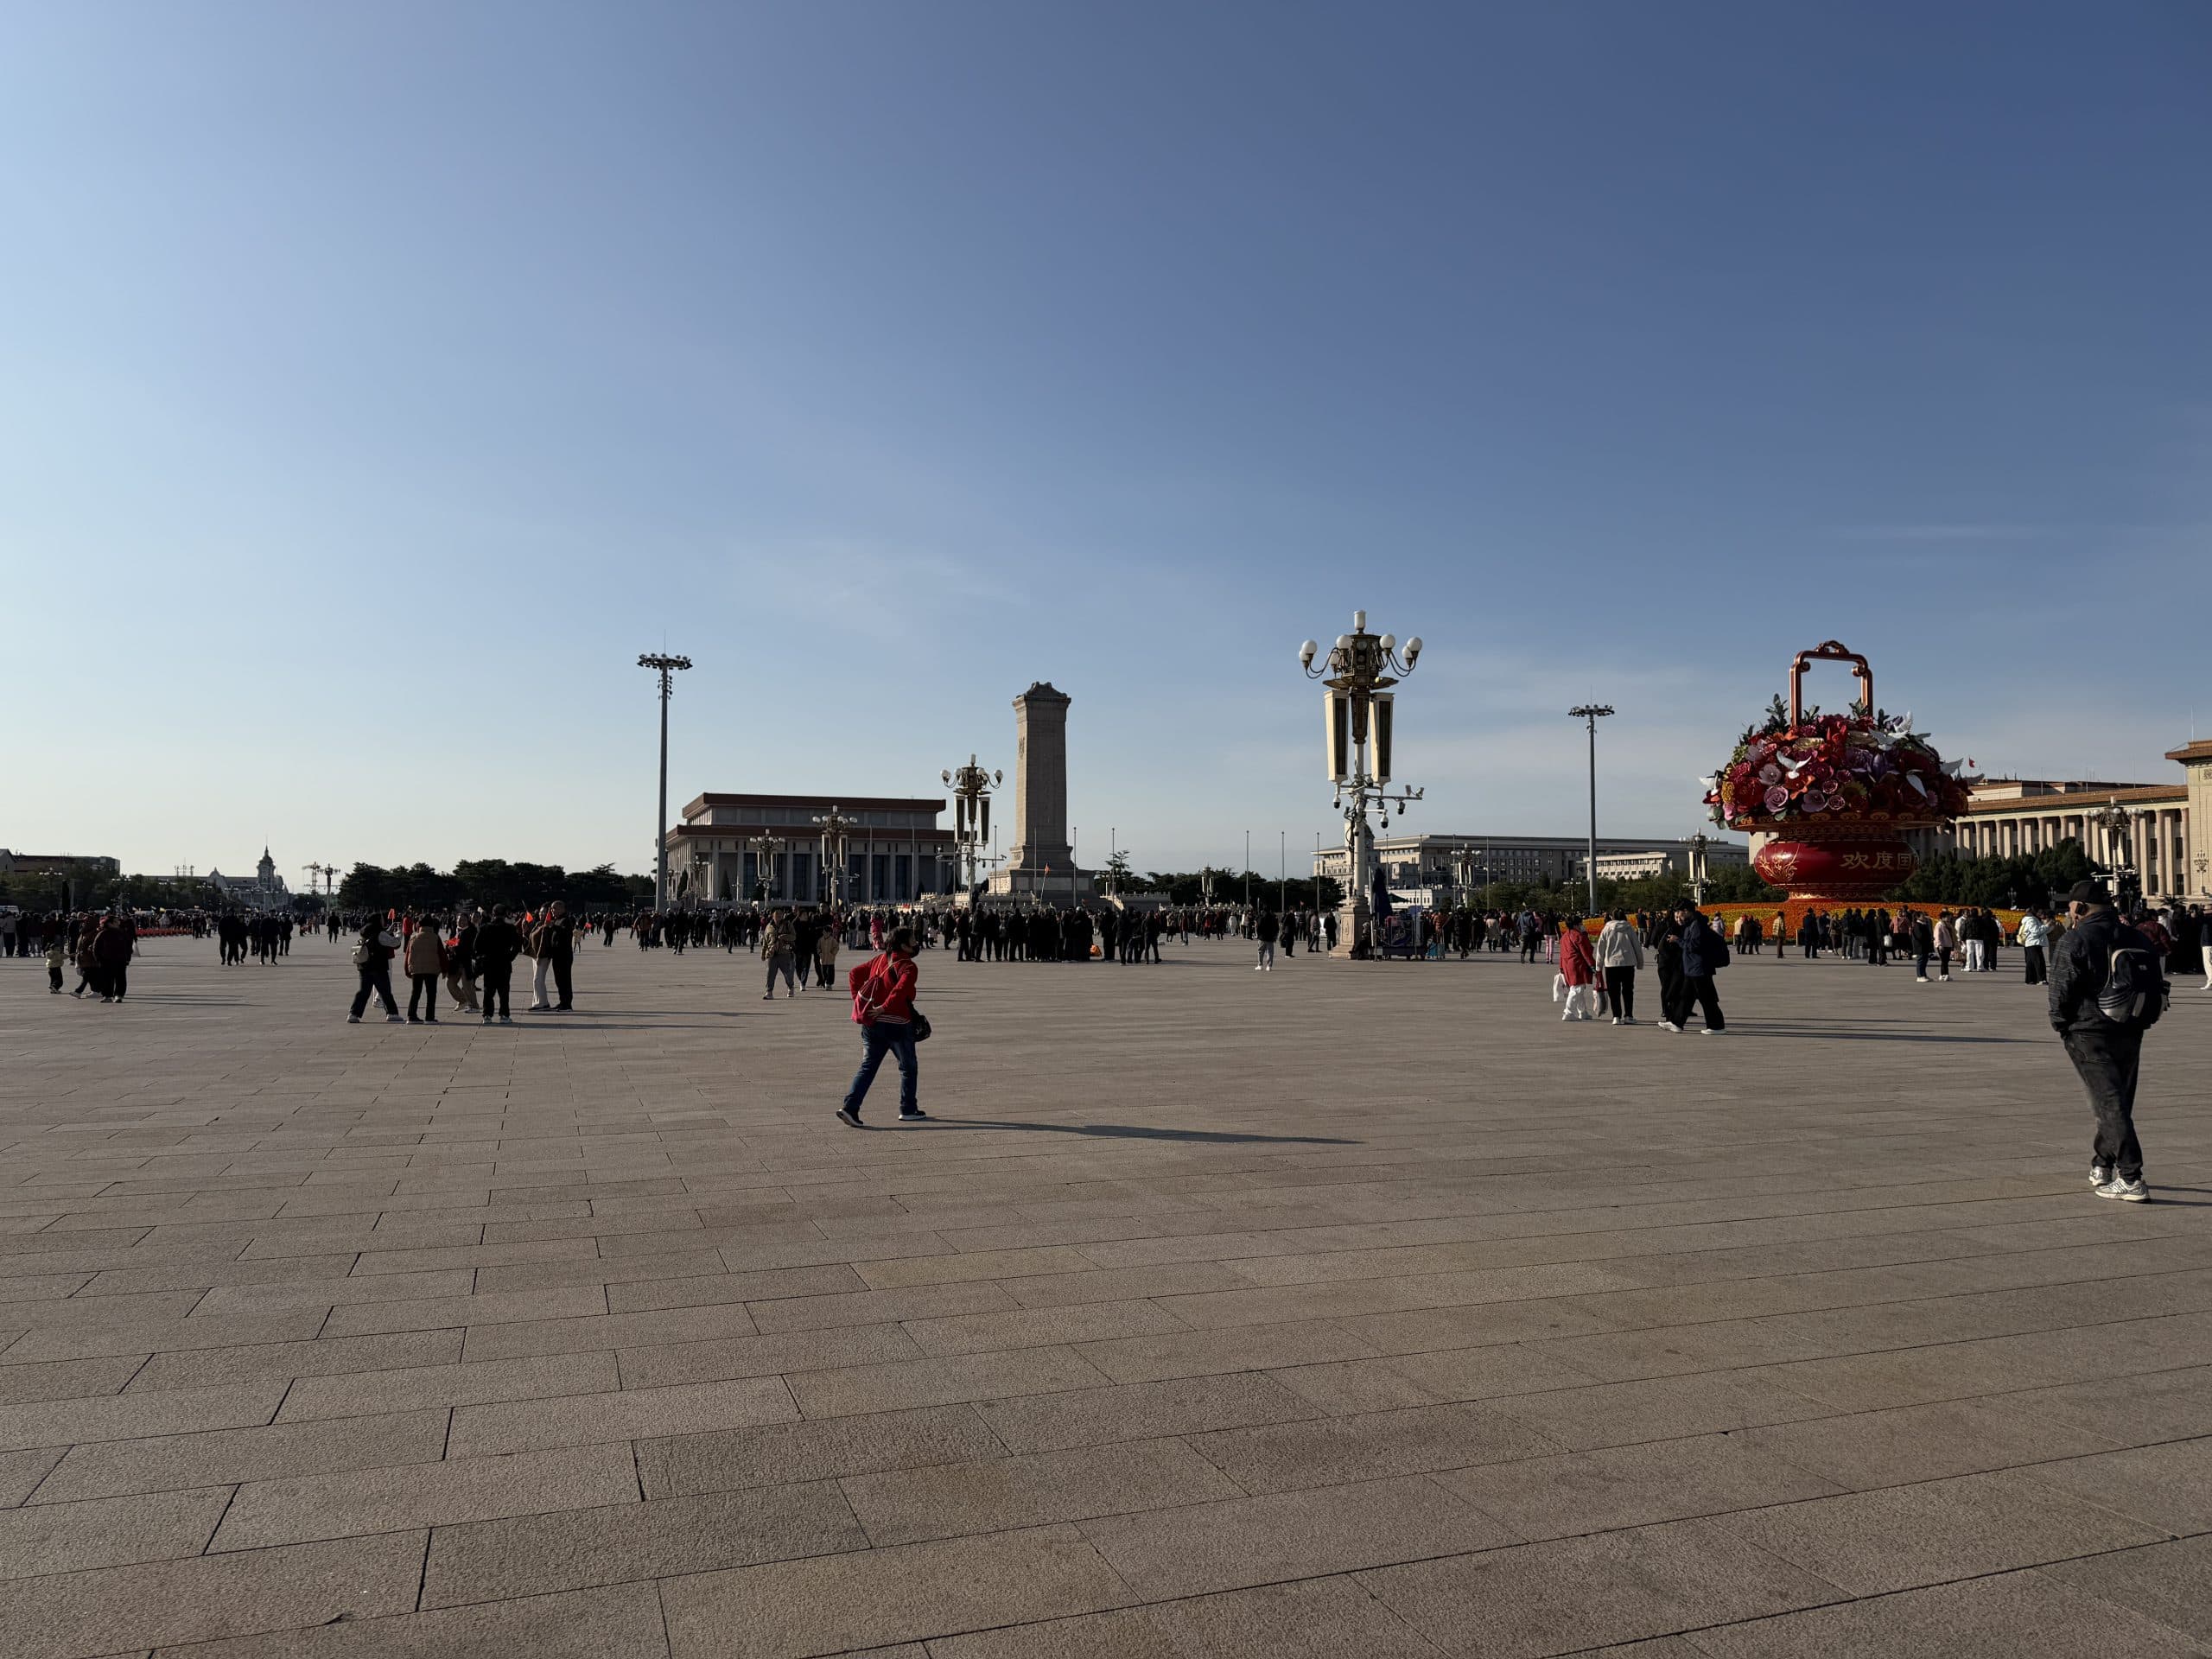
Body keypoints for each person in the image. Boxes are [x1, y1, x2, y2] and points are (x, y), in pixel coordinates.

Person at [2049, 880, 2164, 1201]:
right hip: (2131, 1024)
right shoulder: (2136, 935)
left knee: (2108, 1101)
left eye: (2071, 907)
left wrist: (2062, 1025)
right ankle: (2102, 1163)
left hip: (2089, 1030)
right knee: (2116, 1099)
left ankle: (2131, 1177)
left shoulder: (2076, 938)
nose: (2069, 913)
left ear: (2080, 908)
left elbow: (2060, 990)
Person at [836, 926, 926, 1127]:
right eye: (913, 941)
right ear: (904, 945)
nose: (916, 944)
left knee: (868, 1067)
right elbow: (901, 990)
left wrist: (859, 1001)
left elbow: (854, 974)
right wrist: (884, 1008)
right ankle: (908, 1108)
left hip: (872, 1024)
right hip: (898, 1025)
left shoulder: (879, 960)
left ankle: (850, 1107)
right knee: (908, 1067)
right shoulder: (908, 966)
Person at [1660, 900, 1726, 1033]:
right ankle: (1676, 1023)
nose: (1678, 916)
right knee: (1686, 997)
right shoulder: (1692, 924)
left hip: (1699, 968)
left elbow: (1694, 946)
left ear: (1686, 911)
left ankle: (1717, 1026)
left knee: (1707, 998)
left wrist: (1677, 940)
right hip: (1692, 968)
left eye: (1679, 913)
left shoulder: (1697, 925)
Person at [348, 918, 404, 1024]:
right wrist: (399, 933)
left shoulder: (365, 932)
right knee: (385, 991)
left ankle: (353, 1014)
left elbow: (377, 938)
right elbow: (395, 943)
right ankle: (392, 1013)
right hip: (378, 966)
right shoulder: (381, 934)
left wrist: (387, 932)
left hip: (365, 966)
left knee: (363, 992)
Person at [474, 906, 524, 1024]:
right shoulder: (510, 928)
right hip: (504, 962)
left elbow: (476, 947)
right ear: (505, 914)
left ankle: (487, 1015)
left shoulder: (485, 928)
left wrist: (482, 957)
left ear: (493, 914)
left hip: (489, 962)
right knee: (504, 991)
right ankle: (504, 1015)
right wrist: (510, 957)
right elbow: (518, 945)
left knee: (488, 991)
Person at [1596, 908, 1644, 1025]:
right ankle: (1628, 1015)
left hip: (1611, 964)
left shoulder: (1607, 929)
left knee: (1614, 992)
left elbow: (1600, 948)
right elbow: (1637, 946)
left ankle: (1616, 1016)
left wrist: (1598, 966)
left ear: (1612, 917)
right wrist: (1640, 963)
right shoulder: (1629, 928)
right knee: (1628, 991)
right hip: (1627, 963)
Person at [530, 901, 575, 1012]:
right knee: (559, 980)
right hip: (557, 955)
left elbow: (566, 934)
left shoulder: (565, 920)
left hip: (564, 955)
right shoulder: (557, 920)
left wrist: (553, 926)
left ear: (561, 909)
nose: (552, 911)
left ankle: (567, 1004)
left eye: (554, 909)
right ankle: (562, 1002)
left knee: (565, 980)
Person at [403, 920, 445, 1023]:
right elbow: (442, 954)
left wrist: (407, 970)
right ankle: (429, 1017)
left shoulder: (414, 938)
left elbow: (407, 955)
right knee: (431, 994)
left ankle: (411, 1016)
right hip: (432, 969)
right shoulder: (435, 937)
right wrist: (444, 969)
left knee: (415, 993)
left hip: (416, 970)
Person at [1558, 918, 1598, 1020]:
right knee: (1577, 988)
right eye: (1581, 923)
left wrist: (1561, 967)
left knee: (1578, 989)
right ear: (1576, 925)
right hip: (1577, 965)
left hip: (1567, 964)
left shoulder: (1564, 936)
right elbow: (1587, 952)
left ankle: (1583, 1011)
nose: (1582, 925)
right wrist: (1592, 965)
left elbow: (1561, 953)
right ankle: (1568, 1012)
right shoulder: (1579, 936)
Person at [2018, 906, 2051, 986]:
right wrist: (2047, 925)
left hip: (2031, 943)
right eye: (2039, 912)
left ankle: (2030, 979)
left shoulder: (2031, 919)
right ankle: (2041, 979)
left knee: (2031, 962)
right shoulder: (2031, 920)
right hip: (2033, 943)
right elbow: (2035, 931)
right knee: (2039, 962)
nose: (2040, 914)